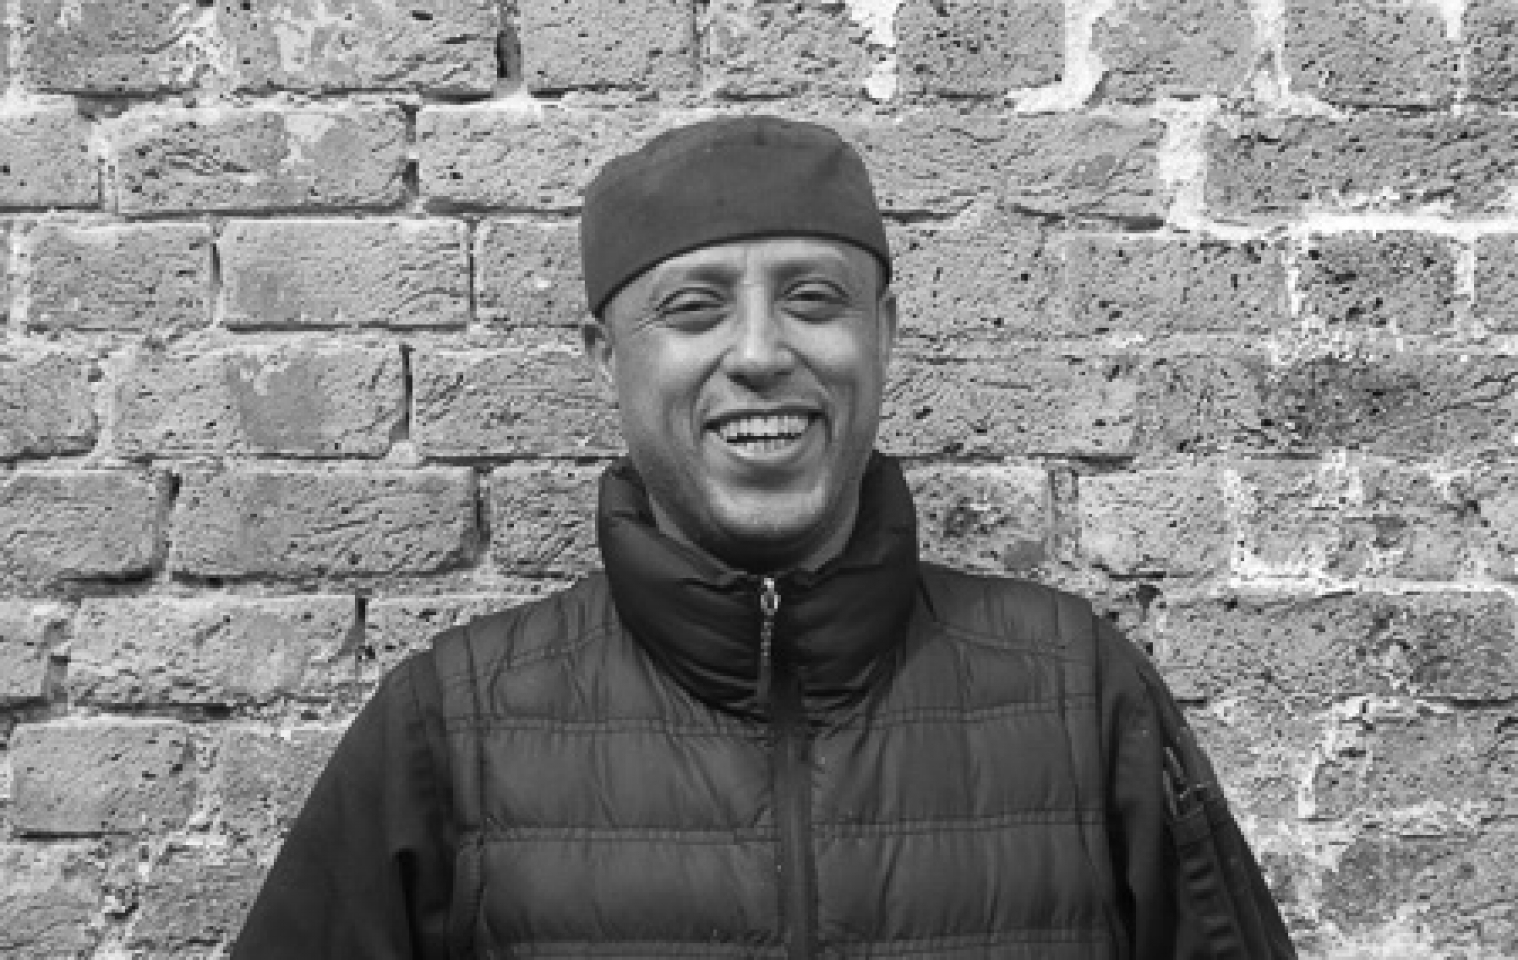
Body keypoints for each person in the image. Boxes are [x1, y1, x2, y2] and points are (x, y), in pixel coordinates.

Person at [232, 116, 1296, 959]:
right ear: (606, 355)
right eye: (694, 309)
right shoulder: (449, 730)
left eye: (814, 299)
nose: (758, 354)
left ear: (881, 333)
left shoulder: (1082, 697)